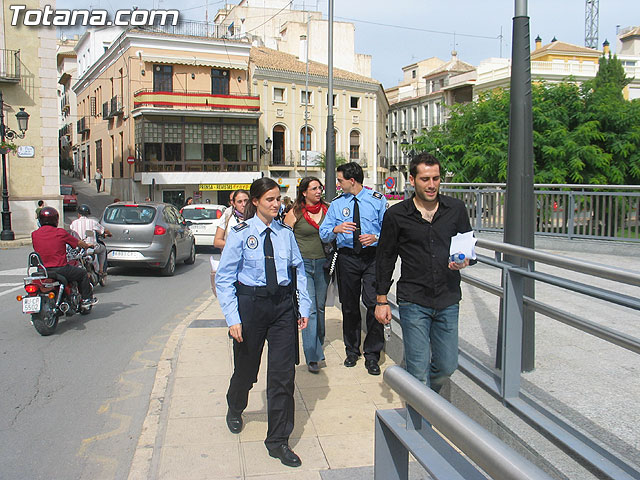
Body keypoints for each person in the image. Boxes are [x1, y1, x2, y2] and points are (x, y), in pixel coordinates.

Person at [216, 178, 310, 468]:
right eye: (269, 199)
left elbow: (299, 270)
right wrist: (233, 319)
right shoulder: (241, 234)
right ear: (255, 201)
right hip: (251, 306)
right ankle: (236, 405)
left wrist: (303, 306)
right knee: (246, 370)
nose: (275, 204)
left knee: (283, 376)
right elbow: (224, 279)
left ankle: (278, 440)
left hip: (282, 307)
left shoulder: (285, 233)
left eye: (278, 198)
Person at [375, 153, 473, 393]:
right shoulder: (396, 215)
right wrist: (381, 300)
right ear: (412, 180)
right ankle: (421, 421)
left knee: (447, 365)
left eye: (436, 179)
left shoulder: (456, 209)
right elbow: (385, 257)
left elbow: (468, 247)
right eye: (425, 179)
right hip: (414, 300)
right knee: (418, 371)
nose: (431, 185)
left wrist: (465, 260)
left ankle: (424, 396)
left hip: (448, 298)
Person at [319, 162, 387, 375]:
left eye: (340, 180)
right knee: (349, 306)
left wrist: (376, 237)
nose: (338, 184)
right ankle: (352, 350)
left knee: (373, 303)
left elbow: (391, 231)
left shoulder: (377, 200)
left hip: (371, 258)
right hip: (347, 258)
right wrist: (336, 229)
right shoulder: (338, 204)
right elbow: (324, 233)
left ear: (352, 180)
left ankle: (372, 354)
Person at [284, 177, 329, 374]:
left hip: (324, 264)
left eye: (320, 188)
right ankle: (313, 355)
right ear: (304, 192)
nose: (318, 191)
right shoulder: (295, 213)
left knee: (320, 309)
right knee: (309, 309)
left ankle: (317, 346)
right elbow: (284, 238)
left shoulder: (328, 210)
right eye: (314, 188)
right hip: (303, 266)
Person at [31, 207, 97, 307]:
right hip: (60, 269)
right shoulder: (60, 232)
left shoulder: (34, 234)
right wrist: (87, 245)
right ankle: (86, 299)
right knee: (83, 274)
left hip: (42, 270)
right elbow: (78, 243)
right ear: (55, 219)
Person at [70, 204, 112, 274]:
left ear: (79, 214)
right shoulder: (93, 222)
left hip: (78, 248)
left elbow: (72, 231)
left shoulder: (74, 223)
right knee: (103, 249)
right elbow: (103, 230)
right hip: (91, 247)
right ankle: (101, 270)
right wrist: (110, 234)